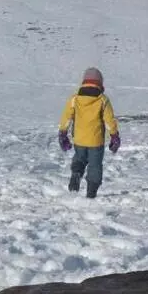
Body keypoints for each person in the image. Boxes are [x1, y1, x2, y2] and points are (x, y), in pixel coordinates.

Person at [58, 67, 120, 199]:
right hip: (96, 141)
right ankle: (91, 192)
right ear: (100, 83)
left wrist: (63, 133)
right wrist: (114, 135)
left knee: (79, 158)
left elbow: (66, 117)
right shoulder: (103, 100)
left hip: (79, 139)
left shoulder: (74, 99)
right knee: (95, 165)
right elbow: (109, 120)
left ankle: (76, 173)